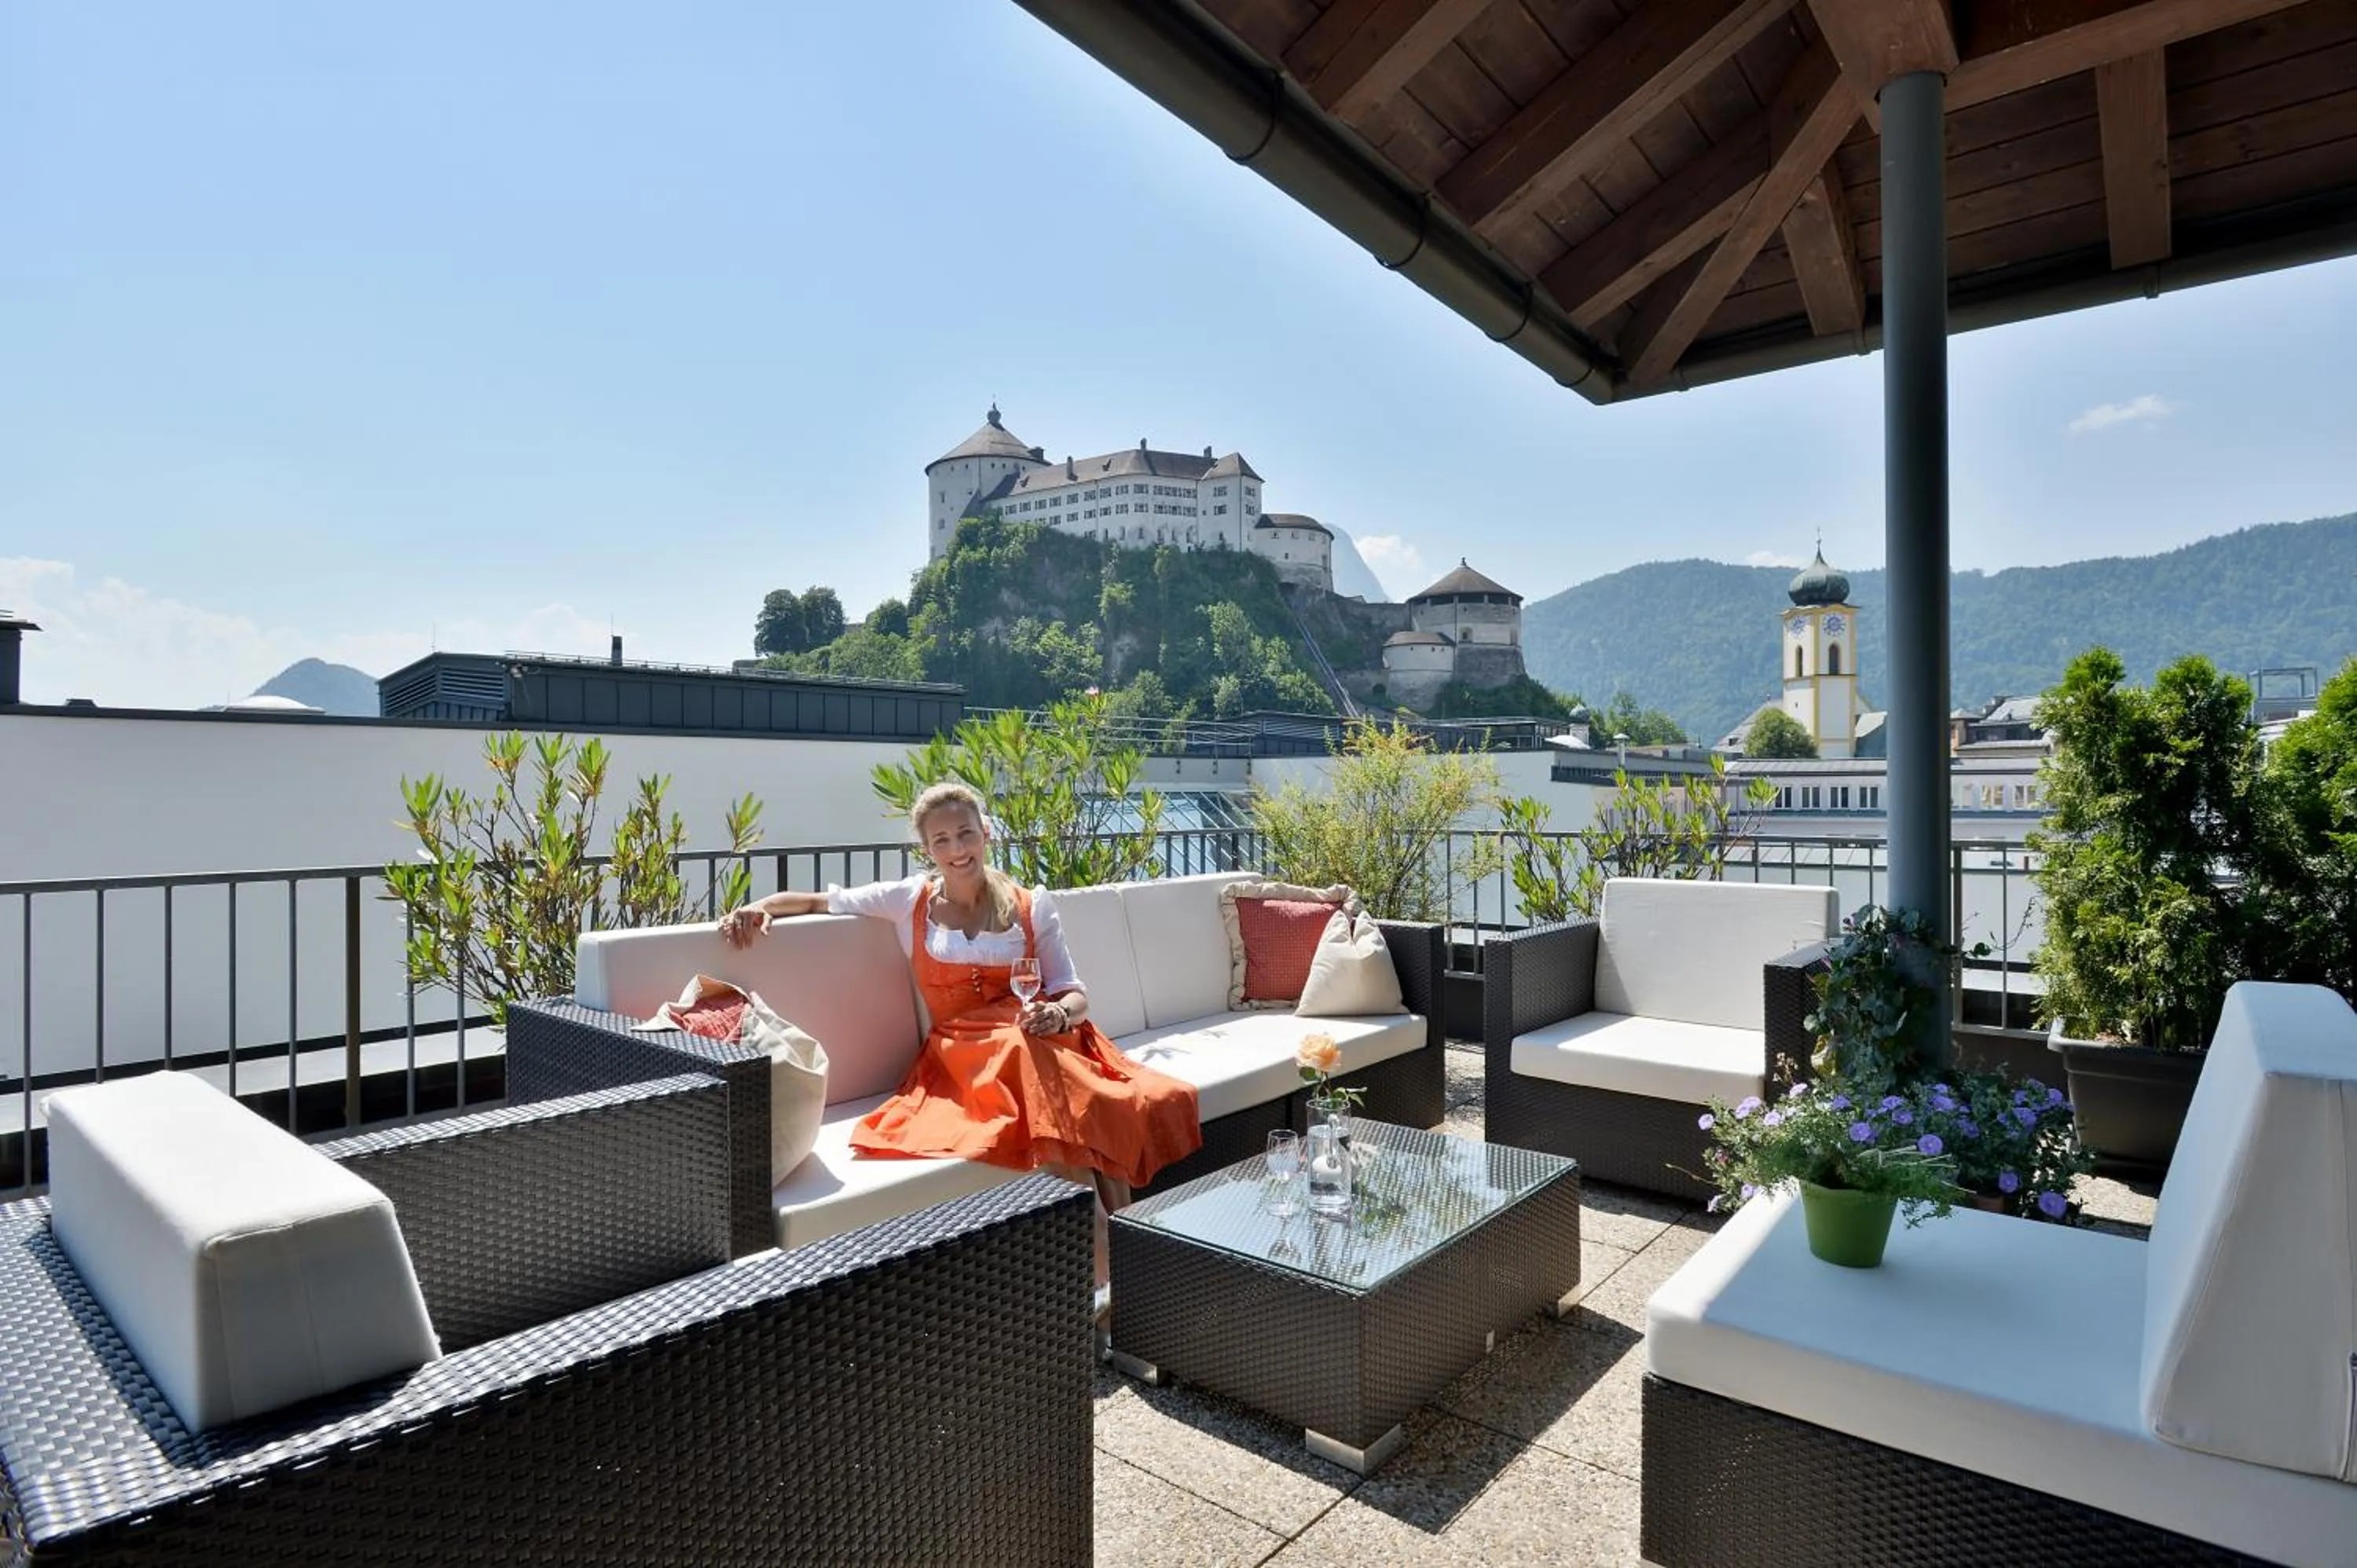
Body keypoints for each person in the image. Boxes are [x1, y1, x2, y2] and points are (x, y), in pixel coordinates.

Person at [720, 781, 1200, 1310]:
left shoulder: (1030, 906)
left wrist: (1058, 1012)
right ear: (926, 849)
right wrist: (759, 907)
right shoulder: (909, 900)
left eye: (965, 834)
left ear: (986, 832)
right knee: (1070, 1098)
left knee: (1089, 1098)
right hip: (962, 1059)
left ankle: (1107, 1275)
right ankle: (1118, 1269)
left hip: (1040, 1042)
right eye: (942, 840)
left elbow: (1075, 993)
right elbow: (818, 899)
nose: (957, 850)